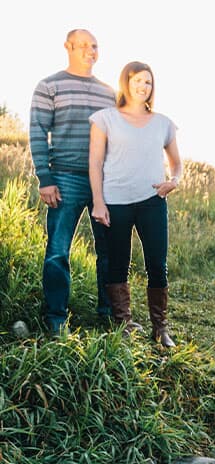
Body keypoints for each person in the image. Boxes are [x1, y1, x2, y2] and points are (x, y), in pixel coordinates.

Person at [89, 61, 182, 347]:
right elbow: (94, 163)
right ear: (125, 83)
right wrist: (99, 203)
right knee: (118, 264)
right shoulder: (105, 118)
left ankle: (160, 327)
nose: (144, 86)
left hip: (152, 201)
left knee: (157, 263)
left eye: (148, 82)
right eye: (138, 81)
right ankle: (123, 324)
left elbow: (177, 164)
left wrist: (174, 181)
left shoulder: (163, 122)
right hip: (115, 201)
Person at [30, 29, 116, 334]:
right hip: (64, 178)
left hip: (104, 183)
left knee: (109, 251)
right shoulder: (49, 86)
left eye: (95, 46)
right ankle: (55, 318)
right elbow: (38, 132)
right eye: (84, 46)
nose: (91, 51)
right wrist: (46, 178)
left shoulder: (109, 92)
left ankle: (109, 316)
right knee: (57, 250)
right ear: (68, 47)